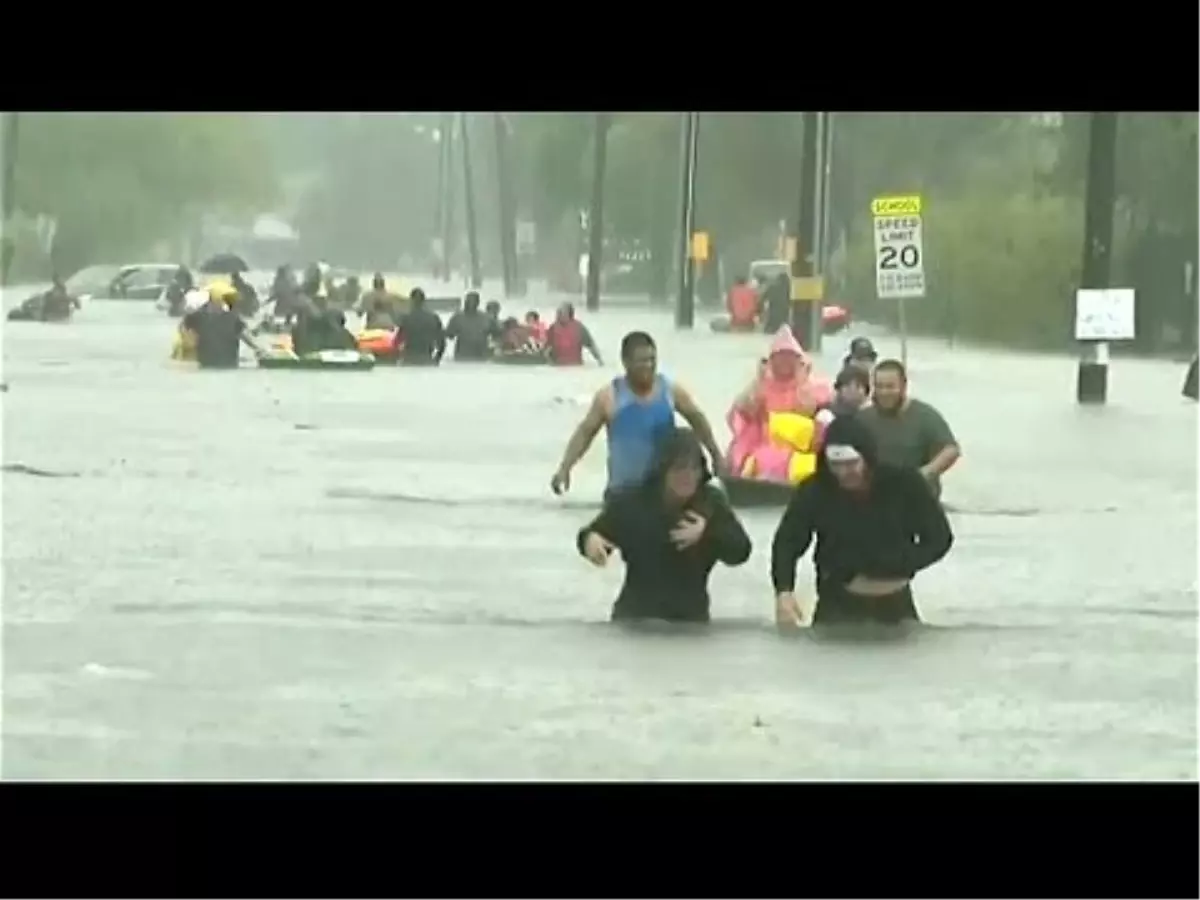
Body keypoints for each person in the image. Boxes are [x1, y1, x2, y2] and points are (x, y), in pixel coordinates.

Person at [770, 413, 954, 628]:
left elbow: (940, 538)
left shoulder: (905, 484)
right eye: (836, 464)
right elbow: (787, 543)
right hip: (836, 602)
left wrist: (901, 563)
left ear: (867, 457)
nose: (844, 472)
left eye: (851, 463)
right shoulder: (814, 490)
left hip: (897, 602)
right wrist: (784, 592)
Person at [577, 427, 752, 624]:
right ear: (662, 469)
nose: (687, 475)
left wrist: (707, 533)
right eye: (679, 468)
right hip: (635, 621)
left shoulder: (711, 502)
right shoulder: (634, 502)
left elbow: (741, 551)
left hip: (691, 623)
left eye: (693, 468)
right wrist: (590, 540)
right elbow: (593, 534)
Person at [551, 331, 725, 501]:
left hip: (661, 494)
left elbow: (698, 420)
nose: (648, 365)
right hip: (622, 494)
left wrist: (716, 455)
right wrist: (565, 468)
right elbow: (584, 433)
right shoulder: (609, 397)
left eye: (652, 360)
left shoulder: (670, 391)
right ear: (626, 362)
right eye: (642, 361)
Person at [726, 326, 833, 483]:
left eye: (789, 357)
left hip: (800, 449)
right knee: (749, 458)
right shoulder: (760, 386)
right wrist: (759, 380)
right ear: (771, 360)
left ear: (798, 359)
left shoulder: (814, 386)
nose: (784, 362)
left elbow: (816, 414)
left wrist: (802, 383)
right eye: (779, 357)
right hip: (763, 446)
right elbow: (740, 414)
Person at [856, 359, 960, 499]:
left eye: (890, 387)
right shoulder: (863, 418)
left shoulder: (925, 416)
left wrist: (925, 474)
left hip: (918, 499)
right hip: (876, 498)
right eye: (879, 386)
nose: (884, 392)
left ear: (904, 387)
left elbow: (950, 450)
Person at [181, 282, 263, 369]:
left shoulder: (231, 318)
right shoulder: (197, 317)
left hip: (221, 363)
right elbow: (184, 332)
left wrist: (258, 349)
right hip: (216, 363)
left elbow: (245, 336)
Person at [397, 288, 445, 365]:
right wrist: (436, 359)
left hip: (409, 359)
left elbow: (398, 341)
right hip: (427, 358)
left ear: (411, 301)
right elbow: (442, 343)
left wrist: (400, 358)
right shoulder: (433, 318)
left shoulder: (406, 318)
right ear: (424, 301)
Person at [445, 291, 494, 361]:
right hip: (464, 355)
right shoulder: (457, 317)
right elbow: (450, 335)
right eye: (468, 301)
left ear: (478, 303)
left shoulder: (486, 318)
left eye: (472, 301)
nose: (470, 304)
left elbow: (496, 334)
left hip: (480, 355)